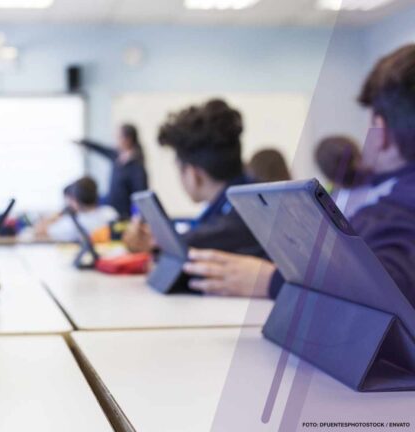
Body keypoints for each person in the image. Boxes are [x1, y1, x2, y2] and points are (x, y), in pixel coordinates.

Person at [183, 44, 415, 307]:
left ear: (381, 132)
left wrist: (271, 281)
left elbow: (381, 294)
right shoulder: (384, 197)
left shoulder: (395, 210)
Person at [122, 99, 266, 259]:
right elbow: (201, 230)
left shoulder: (240, 218)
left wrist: (154, 244)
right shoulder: (245, 200)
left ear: (192, 174)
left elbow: (198, 242)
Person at [76, 124, 149, 220]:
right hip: (111, 207)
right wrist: (83, 142)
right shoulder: (116, 155)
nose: (116, 140)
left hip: (124, 215)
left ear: (128, 139)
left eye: (118, 137)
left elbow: (140, 196)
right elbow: (101, 149)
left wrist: (136, 218)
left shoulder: (137, 166)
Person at [35, 177, 119, 242]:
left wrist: (59, 214)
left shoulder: (71, 224)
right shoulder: (110, 213)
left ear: (75, 201)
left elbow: (39, 230)